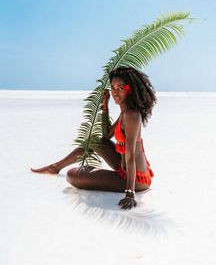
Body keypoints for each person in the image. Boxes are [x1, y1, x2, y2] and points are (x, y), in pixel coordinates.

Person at [31, 66, 157, 209]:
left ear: (130, 89)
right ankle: (55, 167)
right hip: (123, 168)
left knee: (72, 176)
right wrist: (105, 106)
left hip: (136, 179)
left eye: (120, 88)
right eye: (113, 88)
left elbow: (130, 156)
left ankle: (85, 174)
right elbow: (106, 135)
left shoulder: (131, 115)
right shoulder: (125, 113)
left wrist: (129, 194)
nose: (115, 93)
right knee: (95, 141)